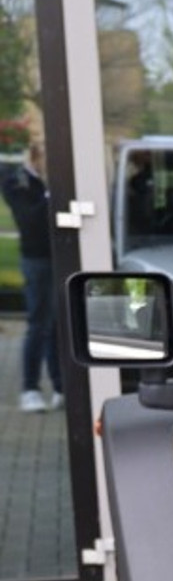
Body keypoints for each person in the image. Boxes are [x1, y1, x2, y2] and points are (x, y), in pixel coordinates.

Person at [3, 139, 58, 412]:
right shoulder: (17, 182)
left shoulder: (39, 182)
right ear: (38, 157)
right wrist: (52, 194)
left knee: (56, 325)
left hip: (55, 257)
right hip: (36, 260)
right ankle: (30, 388)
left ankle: (60, 387)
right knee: (38, 324)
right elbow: (30, 219)